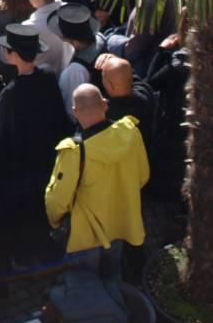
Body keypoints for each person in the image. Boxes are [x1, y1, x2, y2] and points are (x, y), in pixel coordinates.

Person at [0, 23, 72, 269]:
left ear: (14, 55)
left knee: (26, 215)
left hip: (22, 166)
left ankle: (27, 255)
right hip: (48, 157)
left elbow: (3, 137)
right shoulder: (47, 75)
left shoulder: (10, 95)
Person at [44, 84, 148, 271]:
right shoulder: (130, 132)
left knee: (84, 279)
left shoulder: (74, 151)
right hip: (122, 223)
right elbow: (143, 175)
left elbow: (57, 199)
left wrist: (56, 221)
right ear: (105, 104)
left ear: (75, 112)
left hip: (86, 234)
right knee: (113, 271)